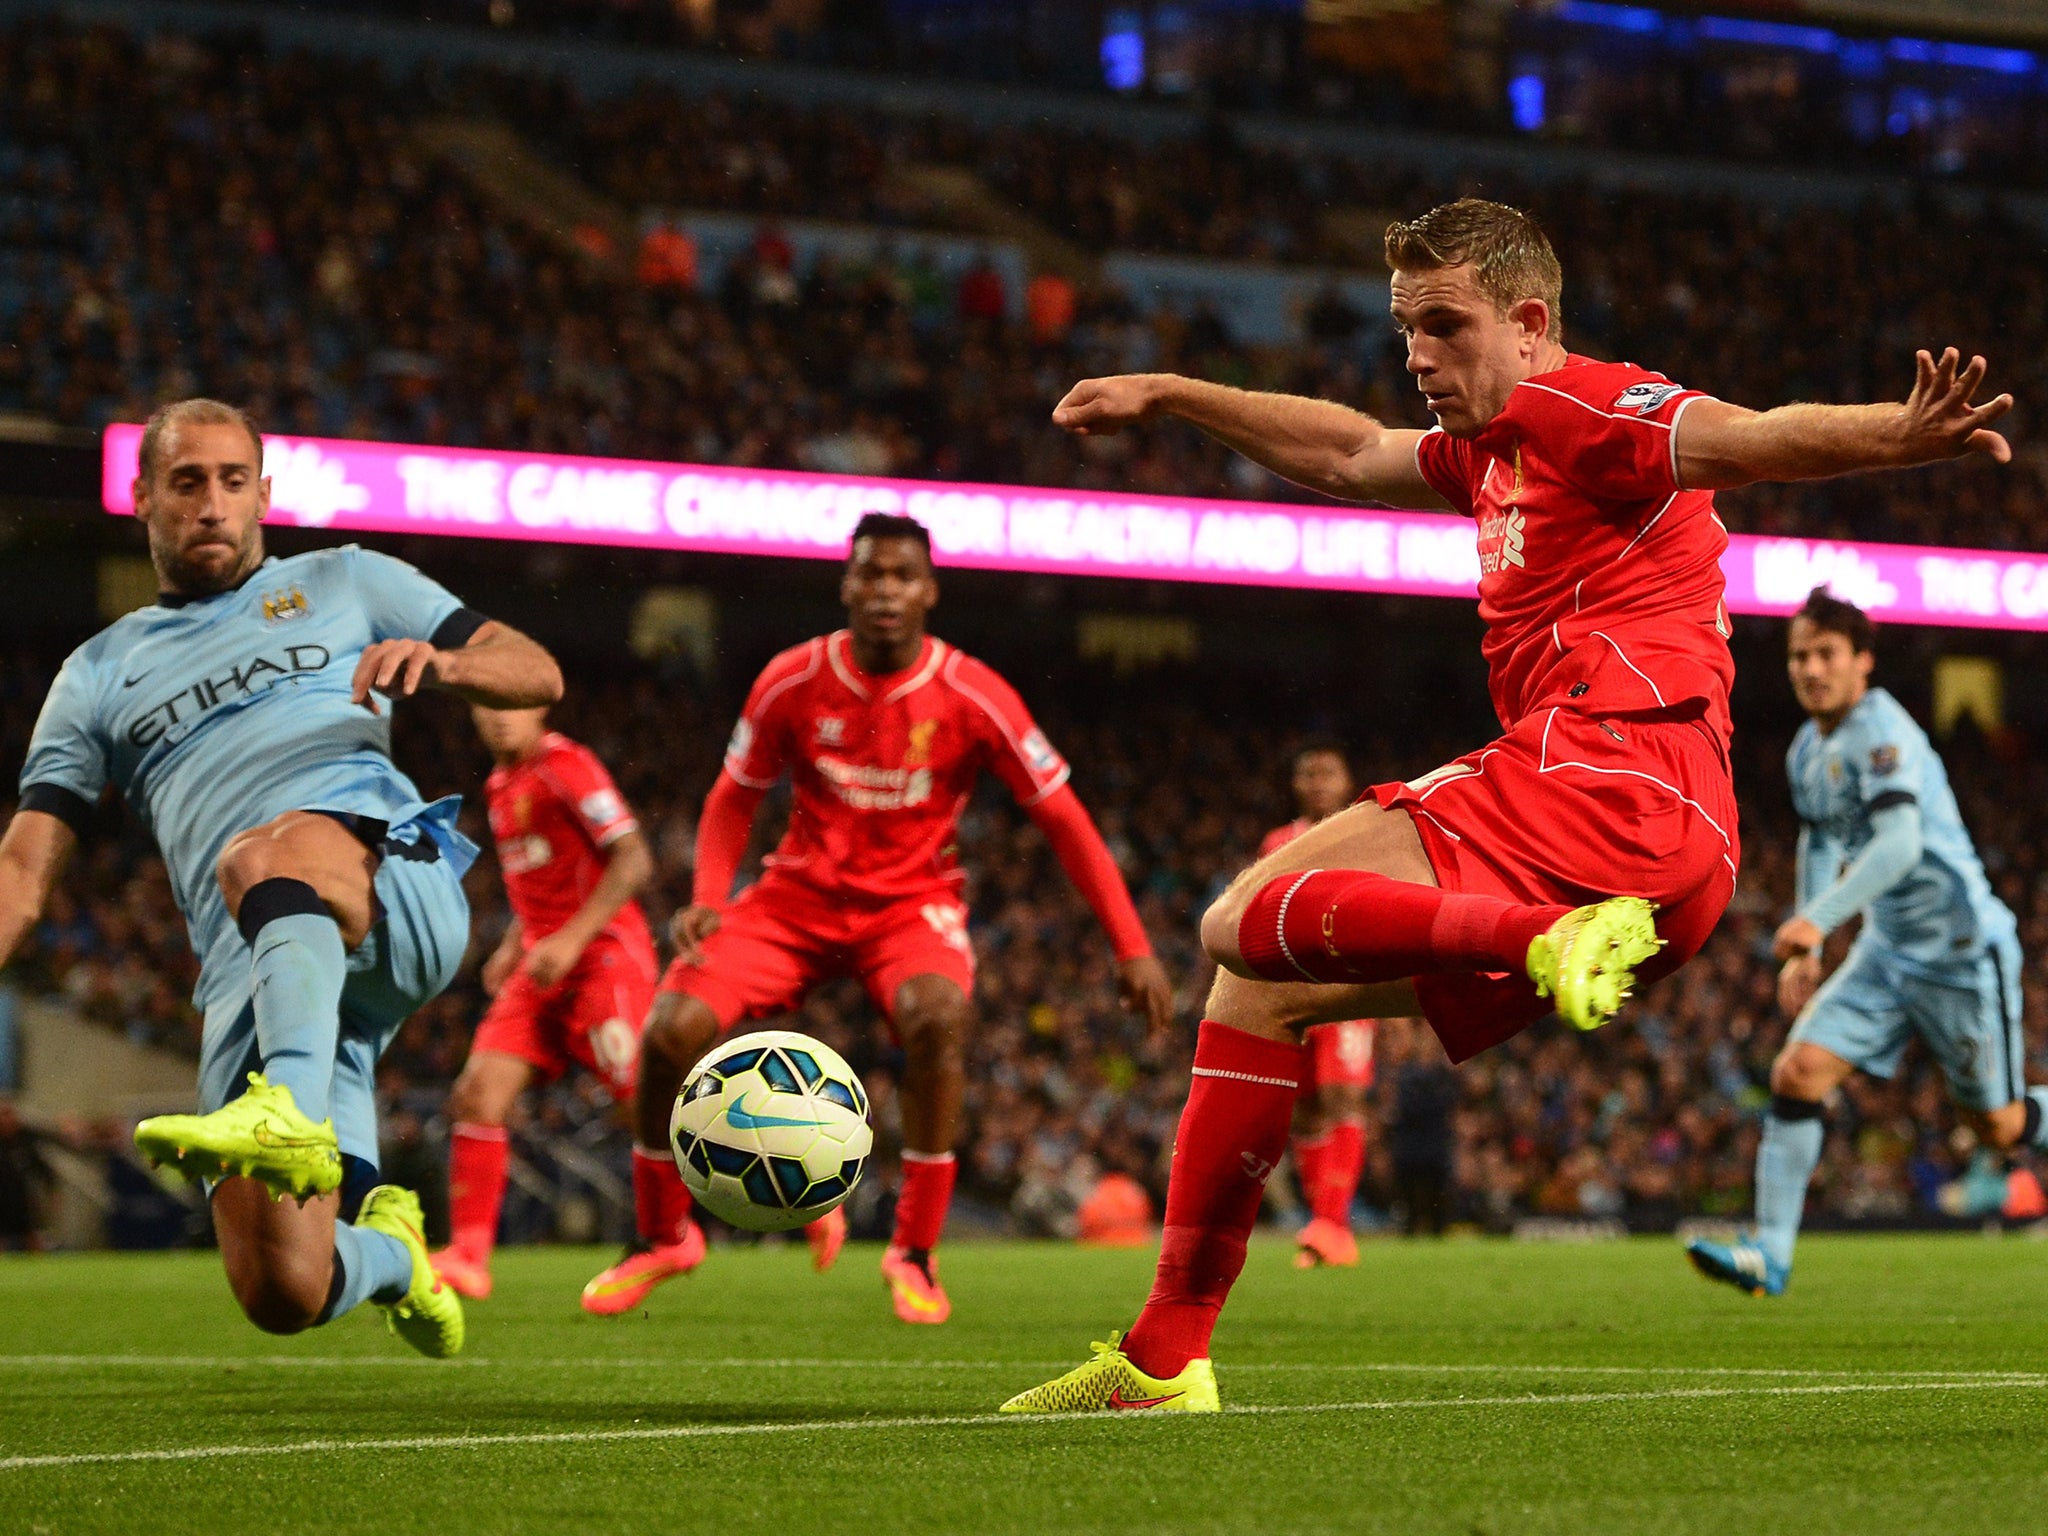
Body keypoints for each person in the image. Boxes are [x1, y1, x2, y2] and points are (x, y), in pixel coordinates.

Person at [1000, 196, 2015, 1413]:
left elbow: (1743, 438)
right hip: (1664, 855)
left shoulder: (1572, 402)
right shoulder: (1492, 451)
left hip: (1609, 781)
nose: (1419, 357)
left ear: (1529, 323)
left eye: (1444, 325)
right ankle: (1164, 1361)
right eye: (1403, 330)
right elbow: (1339, 450)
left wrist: (1895, 434)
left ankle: (1538, 939)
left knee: (1236, 921)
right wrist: (1171, 392)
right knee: (1257, 986)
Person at [0, 399, 562, 1356]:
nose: (211, 503)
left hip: (390, 879)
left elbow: (536, 671)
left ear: (264, 494)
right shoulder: (95, 672)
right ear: (143, 500)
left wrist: (448, 663)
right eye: (186, 483)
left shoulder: (348, 578)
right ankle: (396, 1256)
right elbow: (25, 860)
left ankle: (290, 1106)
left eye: (230, 481)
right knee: (284, 1288)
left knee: (261, 851)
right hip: (257, 967)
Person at [583, 512, 1174, 1324]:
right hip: (793, 901)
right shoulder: (793, 678)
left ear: (929, 591)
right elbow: (732, 799)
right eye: (870, 574)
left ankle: (915, 1252)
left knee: (939, 1018)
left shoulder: (973, 692)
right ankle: (662, 1236)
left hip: (910, 907)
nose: (885, 590)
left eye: (901, 576)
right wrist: (709, 898)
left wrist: (1132, 945)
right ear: (847, 586)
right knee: (668, 1031)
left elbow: (1064, 820)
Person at [1686, 588, 2046, 1296]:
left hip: (1962, 952)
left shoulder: (1884, 734)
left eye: (1826, 655)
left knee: (2001, 1128)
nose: (1811, 669)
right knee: (1797, 1073)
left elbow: (1900, 847)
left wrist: (1820, 920)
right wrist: (1810, 943)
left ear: (1863, 663)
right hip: (1885, 952)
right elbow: (1820, 839)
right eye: (1799, 656)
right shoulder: (1806, 750)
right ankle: (1770, 1254)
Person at [430, 705, 658, 1301]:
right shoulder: (500, 784)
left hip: (604, 953)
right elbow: (541, 882)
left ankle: (680, 1228)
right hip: (541, 964)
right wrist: (512, 944)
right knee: (476, 1095)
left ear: (540, 706)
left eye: (514, 705)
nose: (501, 718)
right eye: (487, 705)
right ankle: (469, 1256)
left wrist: (573, 937)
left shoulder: (566, 764)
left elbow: (633, 858)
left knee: (647, 1101)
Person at [1256, 739, 1376, 1269]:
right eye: (1309, 773)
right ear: (1296, 784)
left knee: (1342, 1098)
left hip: (1347, 986)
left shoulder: (1367, 833)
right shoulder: (1277, 842)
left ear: (1347, 781)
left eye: (1329, 772)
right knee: (1303, 1111)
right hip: (1294, 991)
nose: (1318, 782)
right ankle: (1326, 1222)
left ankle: (1330, 1225)